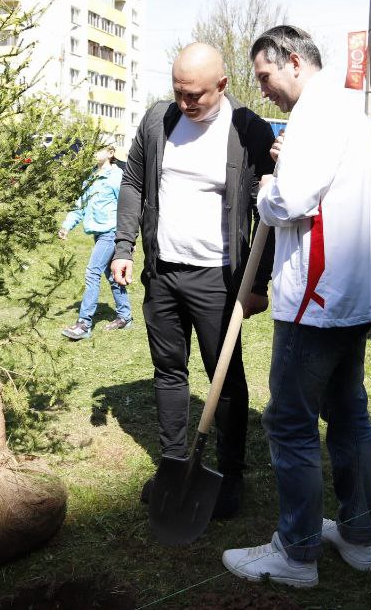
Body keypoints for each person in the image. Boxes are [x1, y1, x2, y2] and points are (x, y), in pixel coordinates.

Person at [222, 25, 371, 588]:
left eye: (265, 76)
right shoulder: (346, 111)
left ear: (293, 61)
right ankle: (358, 537)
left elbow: (289, 201)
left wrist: (266, 185)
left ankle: (296, 554)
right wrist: (287, 161)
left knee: (291, 422)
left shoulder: (315, 114)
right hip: (353, 295)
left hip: (317, 300)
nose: (263, 88)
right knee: (349, 415)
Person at [111, 41, 275, 520]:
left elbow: (272, 209)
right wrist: (124, 247)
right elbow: (133, 182)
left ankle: (229, 475)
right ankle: (174, 465)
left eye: (195, 95)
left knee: (225, 378)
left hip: (219, 281)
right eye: (178, 91)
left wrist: (257, 281)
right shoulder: (158, 120)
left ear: (222, 85)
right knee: (168, 371)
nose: (185, 103)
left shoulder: (248, 130)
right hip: (162, 273)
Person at [59, 145, 132, 340]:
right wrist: (66, 226)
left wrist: (126, 236)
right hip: (98, 234)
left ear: (110, 153)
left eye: (99, 149)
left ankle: (84, 324)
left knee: (92, 272)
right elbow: (80, 206)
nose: (94, 152)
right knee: (112, 275)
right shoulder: (90, 177)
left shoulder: (117, 177)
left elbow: (127, 206)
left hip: (111, 233)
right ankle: (125, 316)